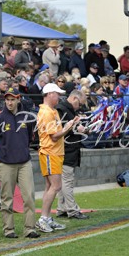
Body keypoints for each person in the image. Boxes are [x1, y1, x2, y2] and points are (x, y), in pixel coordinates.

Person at [0, 88, 40, 239]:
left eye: (13, 99)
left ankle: (29, 228)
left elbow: (32, 137)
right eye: (7, 99)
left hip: (24, 162)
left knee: (29, 196)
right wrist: (1, 155)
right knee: (7, 198)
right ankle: (8, 229)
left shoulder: (28, 117)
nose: (10, 102)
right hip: (6, 164)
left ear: (18, 99)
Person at [36, 83, 80, 232]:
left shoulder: (51, 111)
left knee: (50, 186)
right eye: (57, 94)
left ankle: (47, 218)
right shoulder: (47, 112)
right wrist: (68, 128)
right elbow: (54, 136)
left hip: (54, 153)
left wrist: (68, 125)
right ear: (49, 94)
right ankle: (43, 218)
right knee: (56, 186)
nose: (59, 97)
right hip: (51, 152)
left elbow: (55, 132)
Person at [55, 90, 90, 220]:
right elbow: (59, 131)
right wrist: (76, 128)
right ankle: (72, 210)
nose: (80, 107)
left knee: (64, 181)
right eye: (80, 104)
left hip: (69, 150)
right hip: (66, 150)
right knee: (67, 182)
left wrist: (82, 129)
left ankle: (62, 208)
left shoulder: (66, 110)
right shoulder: (61, 110)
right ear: (74, 98)